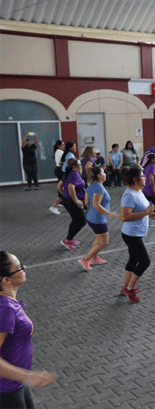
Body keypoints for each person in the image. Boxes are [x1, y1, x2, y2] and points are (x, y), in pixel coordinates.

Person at [0, 252, 57, 408]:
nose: (25, 268)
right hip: (6, 389)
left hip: (17, 383)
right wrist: (29, 377)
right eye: (19, 267)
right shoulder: (5, 309)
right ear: (6, 280)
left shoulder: (8, 304)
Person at [119, 166, 155, 303]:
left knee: (133, 259)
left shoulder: (138, 191)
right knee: (145, 261)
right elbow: (124, 217)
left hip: (135, 233)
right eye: (142, 176)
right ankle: (130, 288)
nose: (145, 178)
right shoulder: (129, 195)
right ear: (136, 180)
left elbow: (141, 209)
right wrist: (145, 212)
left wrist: (150, 213)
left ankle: (125, 287)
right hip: (131, 234)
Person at [78, 166, 118, 271]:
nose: (105, 174)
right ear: (99, 176)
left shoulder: (91, 186)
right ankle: (85, 259)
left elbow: (86, 203)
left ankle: (95, 258)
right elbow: (96, 204)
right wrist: (108, 213)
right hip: (98, 220)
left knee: (98, 239)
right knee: (104, 242)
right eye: (103, 173)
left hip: (91, 218)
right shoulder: (99, 188)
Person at [61, 159, 87, 251]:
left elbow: (60, 186)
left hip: (68, 200)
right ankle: (67, 240)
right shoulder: (74, 174)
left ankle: (70, 238)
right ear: (74, 166)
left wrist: (65, 195)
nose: (81, 166)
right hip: (72, 201)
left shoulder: (70, 173)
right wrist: (76, 200)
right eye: (79, 165)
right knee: (82, 221)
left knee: (75, 220)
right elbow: (70, 187)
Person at [49, 140, 65, 215]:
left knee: (61, 186)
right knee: (62, 186)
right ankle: (56, 203)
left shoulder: (58, 151)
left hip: (59, 169)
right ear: (58, 146)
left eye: (64, 145)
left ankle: (60, 201)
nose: (63, 146)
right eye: (62, 145)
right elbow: (60, 162)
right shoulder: (60, 152)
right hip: (60, 169)